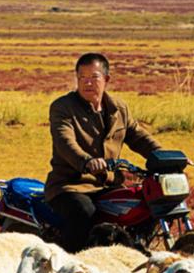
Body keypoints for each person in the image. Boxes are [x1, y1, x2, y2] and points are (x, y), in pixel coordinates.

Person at [42, 52, 161, 249]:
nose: (87, 83)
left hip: (109, 184)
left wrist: (164, 156)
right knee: (84, 212)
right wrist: (86, 161)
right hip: (71, 185)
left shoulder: (118, 108)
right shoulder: (63, 107)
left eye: (93, 77)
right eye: (82, 78)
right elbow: (65, 141)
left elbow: (138, 136)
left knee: (143, 206)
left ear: (106, 79)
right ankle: (71, 265)